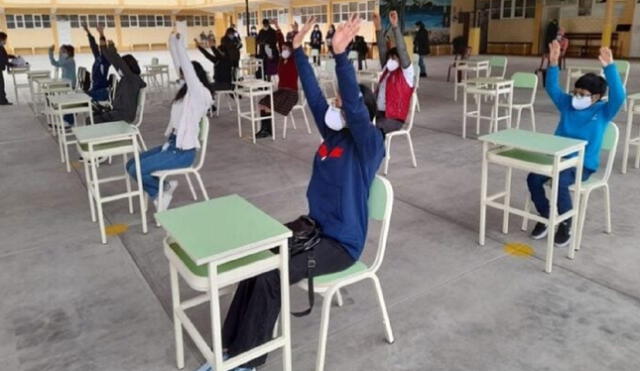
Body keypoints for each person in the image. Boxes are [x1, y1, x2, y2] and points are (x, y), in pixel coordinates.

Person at [196, 15, 384, 371]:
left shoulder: (370, 145)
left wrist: (341, 57)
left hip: (341, 245)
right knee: (256, 257)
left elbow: (357, 112)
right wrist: (297, 50)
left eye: (342, 102)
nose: (335, 104)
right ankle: (231, 349)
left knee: (272, 274)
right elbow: (313, 97)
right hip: (311, 230)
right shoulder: (333, 139)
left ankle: (248, 363)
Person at [527, 41, 625, 247]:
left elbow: (619, 96)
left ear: (597, 97)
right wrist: (553, 63)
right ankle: (546, 216)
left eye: (583, 94)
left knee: (560, 182)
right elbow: (552, 88)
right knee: (533, 178)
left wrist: (610, 68)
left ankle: (565, 223)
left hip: (582, 165)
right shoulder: (567, 105)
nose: (577, 96)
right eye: (576, 91)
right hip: (557, 157)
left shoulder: (603, 111)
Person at [126, 33, 213, 211]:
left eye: (185, 75)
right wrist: (172, 43)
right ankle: (163, 187)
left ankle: (160, 192)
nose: (182, 76)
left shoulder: (200, 94)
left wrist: (181, 46)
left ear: (193, 76)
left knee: (137, 170)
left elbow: (187, 69)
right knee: (130, 164)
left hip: (182, 153)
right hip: (171, 146)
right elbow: (180, 65)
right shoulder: (186, 91)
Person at [373, 11, 415, 134]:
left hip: (394, 118)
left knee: (370, 131)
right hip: (379, 113)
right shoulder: (387, 70)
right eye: (390, 57)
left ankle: (377, 152)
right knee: (355, 124)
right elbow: (382, 49)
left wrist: (395, 27)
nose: (391, 60)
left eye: (394, 58)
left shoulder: (407, 73)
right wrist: (378, 28)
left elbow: (402, 50)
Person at [94, 40, 146, 124]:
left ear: (127, 66)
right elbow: (114, 61)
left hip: (122, 116)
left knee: (92, 120)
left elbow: (117, 61)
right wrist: (103, 47)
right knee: (94, 116)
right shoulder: (127, 79)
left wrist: (111, 47)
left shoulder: (131, 79)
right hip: (118, 113)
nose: (119, 69)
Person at [255, 41, 299, 139]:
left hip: (291, 93)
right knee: (262, 103)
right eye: (282, 49)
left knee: (267, 104)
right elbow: (278, 49)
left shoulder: (294, 60)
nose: (283, 51)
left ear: (291, 50)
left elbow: (283, 41)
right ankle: (265, 129)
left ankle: (267, 130)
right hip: (281, 91)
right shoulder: (281, 61)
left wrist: (278, 29)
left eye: (286, 49)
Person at [81, 23, 111, 102]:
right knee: (78, 97)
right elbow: (93, 45)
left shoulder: (106, 61)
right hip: (95, 90)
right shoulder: (98, 58)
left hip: (101, 92)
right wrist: (87, 31)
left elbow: (103, 46)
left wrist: (101, 33)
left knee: (79, 97)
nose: (100, 49)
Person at [48, 43, 77, 126]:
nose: (62, 53)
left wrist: (54, 53)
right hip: (65, 83)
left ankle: (68, 120)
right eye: (61, 51)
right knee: (60, 97)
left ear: (69, 52)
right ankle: (66, 118)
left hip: (70, 85)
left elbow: (59, 63)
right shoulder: (66, 60)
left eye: (64, 51)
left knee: (67, 102)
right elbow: (55, 63)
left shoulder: (70, 60)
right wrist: (51, 53)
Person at [0, 32, 15, 105]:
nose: (5, 41)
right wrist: (10, 64)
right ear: (1, 39)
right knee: (1, 85)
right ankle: (3, 101)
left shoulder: (1, 47)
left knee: (1, 84)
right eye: (5, 39)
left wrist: (12, 56)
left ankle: (2, 100)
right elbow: (1, 59)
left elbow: (5, 56)